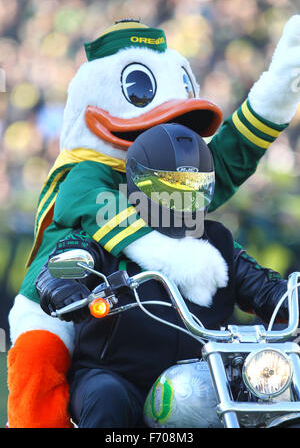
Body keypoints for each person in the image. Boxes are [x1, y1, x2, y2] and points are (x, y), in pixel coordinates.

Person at [36, 124, 292, 428]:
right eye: (171, 186)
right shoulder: (107, 233)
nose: (184, 197)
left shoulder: (218, 242)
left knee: (277, 400)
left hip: (208, 378)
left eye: (193, 186)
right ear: (139, 184)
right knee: (107, 399)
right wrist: (62, 284)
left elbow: (267, 289)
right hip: (118, 377)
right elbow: (62, 261)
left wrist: (288, 297)